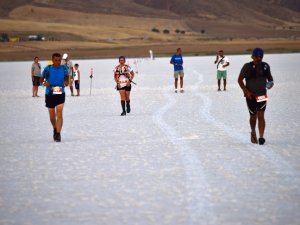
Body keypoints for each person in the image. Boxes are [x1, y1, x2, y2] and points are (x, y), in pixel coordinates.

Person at [238, 48, 274, 145]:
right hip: (250, 96)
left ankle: (261, 137)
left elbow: (270, 79)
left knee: (261, 115)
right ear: (253, 56)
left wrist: (270, 84)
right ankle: (253, 131)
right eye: (257, 57)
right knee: (253, 117)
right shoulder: (247, 67)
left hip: (262, 95)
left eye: (260, 57)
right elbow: (240, 80)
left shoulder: (265, 66)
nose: (259, 59)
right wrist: (246, 91)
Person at [42, 53, 69, 142]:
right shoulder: (48, 69)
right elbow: (41, 79)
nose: (58, 62)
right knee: (52, 117)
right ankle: (55, 128)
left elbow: (66, 78)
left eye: (59, 60)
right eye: (56, 60)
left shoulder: (64, 68)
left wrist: (66, 82)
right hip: (49, 93)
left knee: (59, 112)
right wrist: (44, 83)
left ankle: (58, 133)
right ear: (52, 60)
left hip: (60, 92)